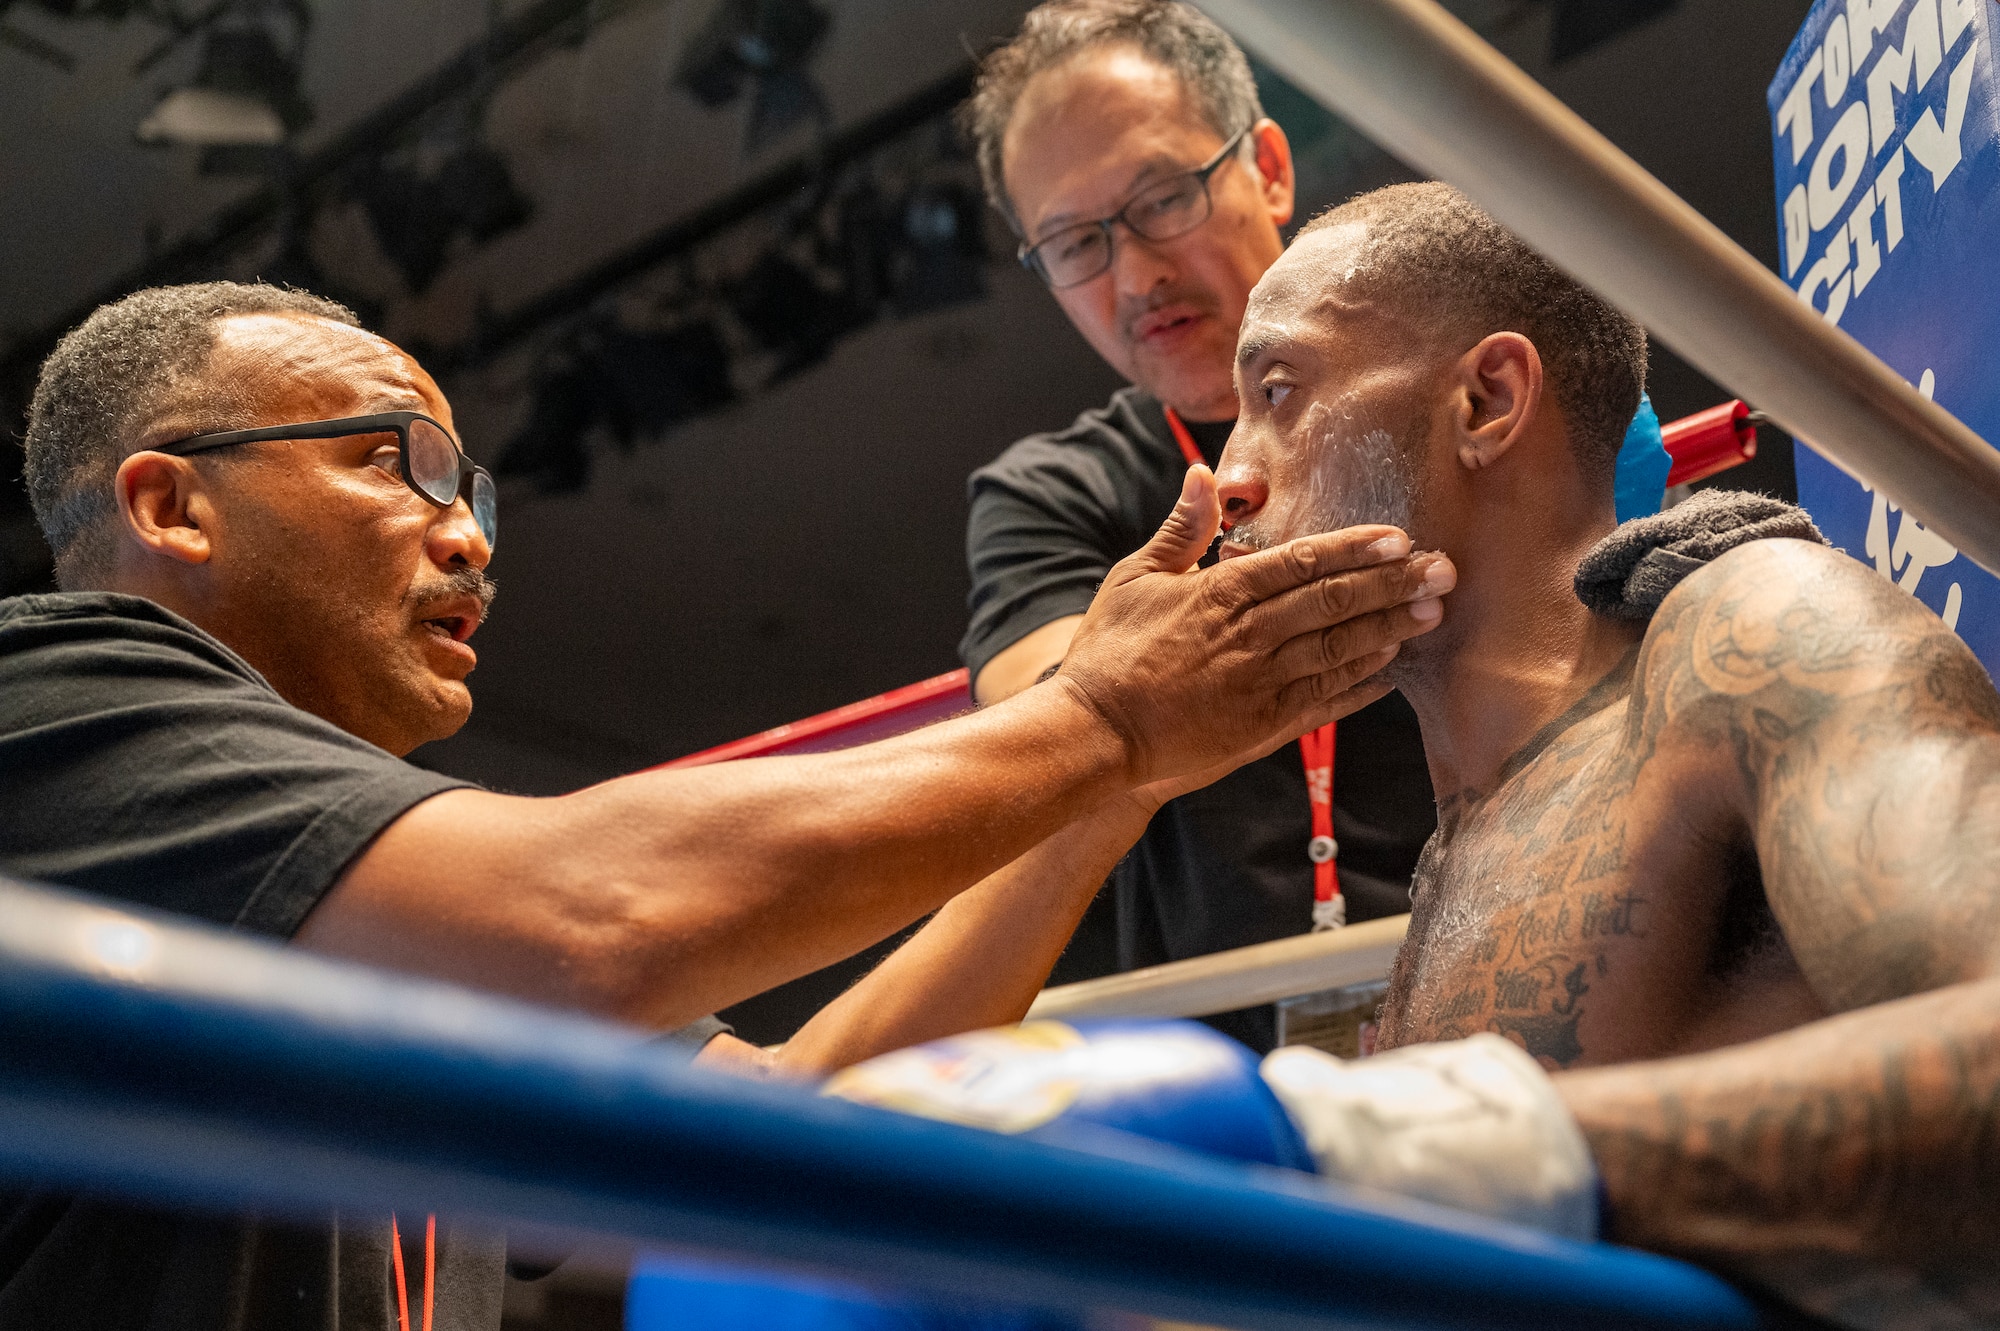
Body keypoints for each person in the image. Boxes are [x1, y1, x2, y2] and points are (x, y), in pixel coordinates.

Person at [0, 281, 1452, 1330]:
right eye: (395, 460)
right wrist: (1106, 717)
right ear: (171, 504)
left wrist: (1116, 794)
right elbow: (591, 912)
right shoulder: (45, 703)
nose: (468, 538)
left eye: (480, 494)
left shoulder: (381, 912)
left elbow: (803, 1126)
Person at [1213, 181, 2000, 1328]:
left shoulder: (1746, 633)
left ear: (1486, 399)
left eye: (1278, 392)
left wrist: (1417, 1151)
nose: (1230, 475)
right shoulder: (1460, 844)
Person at [956, 0, 1438, 1051]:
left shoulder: (1451, 379)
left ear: (1266, 166)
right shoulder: (1049, 489)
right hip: (1214, 1085)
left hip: (1519, 978)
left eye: (1161, 198)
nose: (1133, 275)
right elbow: (1043, 729)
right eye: (1073, 242)